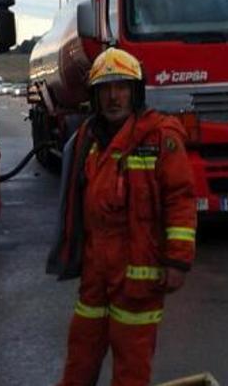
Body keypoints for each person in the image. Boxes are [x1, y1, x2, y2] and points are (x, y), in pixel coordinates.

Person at [48, 48, 197, 386]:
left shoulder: (160, 137)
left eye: (121, 87)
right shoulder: (88, 139)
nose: (113, 97)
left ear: (135, 92)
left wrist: (178, 261)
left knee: (132, 365)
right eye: (105, 89)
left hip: (138, 275)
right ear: (95, 96)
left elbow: (180, 200)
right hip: (95, 271)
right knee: (81, 353)